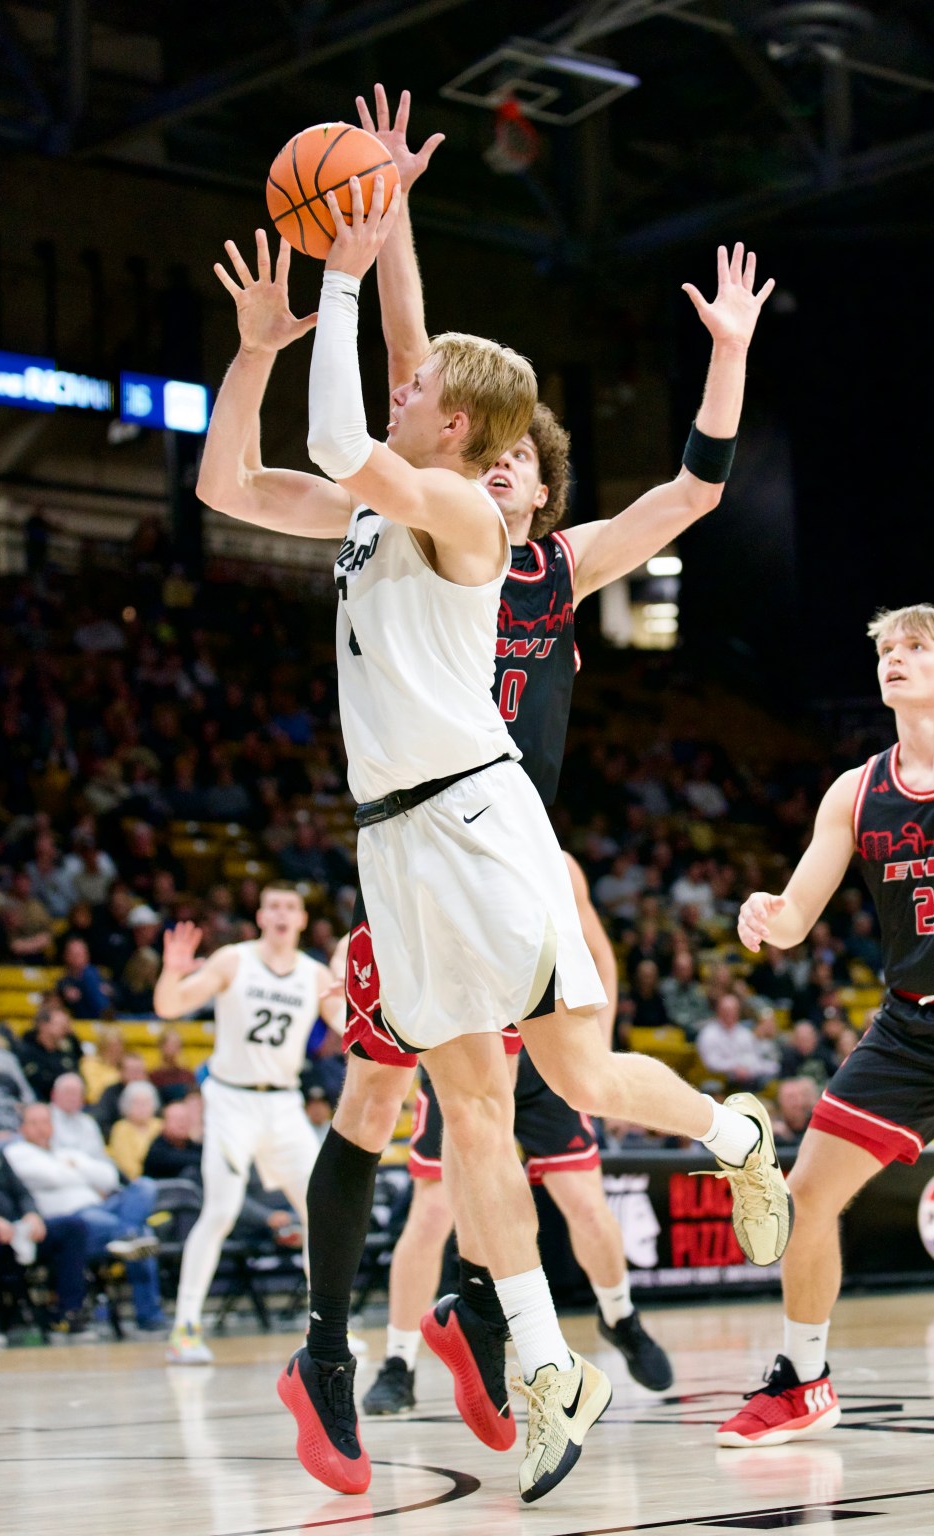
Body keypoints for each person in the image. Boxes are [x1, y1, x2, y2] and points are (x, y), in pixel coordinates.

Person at [198, 84, 785, 1504]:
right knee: (467, 1115)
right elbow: (233, 477)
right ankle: (540, 1356)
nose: (424, 407)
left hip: (482, 811)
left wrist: (341, 268)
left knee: (564, 1084)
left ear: (482, 447)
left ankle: (731, 1132)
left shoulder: (481, 521)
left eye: (451, 416)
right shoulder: (392, 496)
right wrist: (274, 334)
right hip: (395, 840)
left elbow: (390, 419)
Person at [718, 603, 934, 1448]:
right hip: (912, 1028)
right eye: (885, 649)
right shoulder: (858, 790)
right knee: (806, 1197)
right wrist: (767, 911)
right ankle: (804, 1381)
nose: (895, 659)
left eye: (915, 647)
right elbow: (799, 913)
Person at [364, 856, 672, 1418]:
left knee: (586, 1204)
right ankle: (398, 1362)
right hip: (469, 1052)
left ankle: (620, 1316)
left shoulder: (554, 860)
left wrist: (596, 1047)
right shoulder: (430, 841)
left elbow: (599, 952)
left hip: (542, 1053)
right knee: (432, 1214)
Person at [153, 882, 342, 1365]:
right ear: (260, 916)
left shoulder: (315, 973)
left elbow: (352, 1026)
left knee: (320, 1212)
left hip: (283, 1104)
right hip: (232, 1101)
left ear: (301, 920)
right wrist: (171, 973)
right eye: (273, 906)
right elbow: (169, 1007)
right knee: (220, 1211)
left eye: (290, 907)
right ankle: (185, 1329)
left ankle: (322, 1327)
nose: (281, 914)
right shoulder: (232, 960)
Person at [6, 1102, 167, 1334]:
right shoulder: (16, 1154)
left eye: (46, 1122)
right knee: (142, 1235)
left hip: (103, 1209)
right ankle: (150, 1315)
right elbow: (51, 1177)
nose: (41, 1128)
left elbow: (109, 1176)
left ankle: (127, 1234)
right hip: (74, 1221)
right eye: (34, 1123)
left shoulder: (66, 1152)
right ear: (21, 1128)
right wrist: (80, 1171)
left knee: (145, 1186)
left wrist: (73, 1168)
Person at [0, 1098, 94, 1344]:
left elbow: (22, 1193)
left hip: (15, 1232)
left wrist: (32, 1215)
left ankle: (68, 1313)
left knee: (72, 1226)